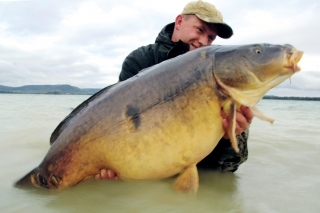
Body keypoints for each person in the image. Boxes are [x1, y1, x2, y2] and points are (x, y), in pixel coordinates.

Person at [95, 0, 253, 180]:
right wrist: (114, 164)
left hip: (194, 176)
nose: (203, 41)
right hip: (147, 174)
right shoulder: (140, 60)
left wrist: (229, 136)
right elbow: (117, 123)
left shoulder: (217, 79)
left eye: (210, 37)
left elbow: (229, 166)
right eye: (200, 30)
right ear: (179, 22)